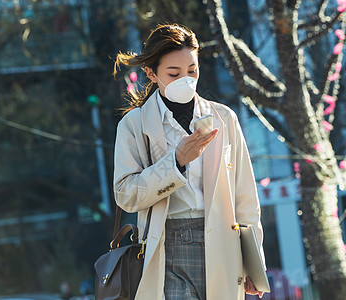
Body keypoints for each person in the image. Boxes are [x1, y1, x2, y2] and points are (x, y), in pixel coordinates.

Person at [112, 23, 266, 300]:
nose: (186, 79)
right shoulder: (133, 126)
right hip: (165, 247)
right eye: (174, 73)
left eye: (192, 70)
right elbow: (125, 195)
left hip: (223, 244)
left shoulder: (224, 118)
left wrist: (255, 264)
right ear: (150, 72)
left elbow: (245, 197)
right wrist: (176, 163)